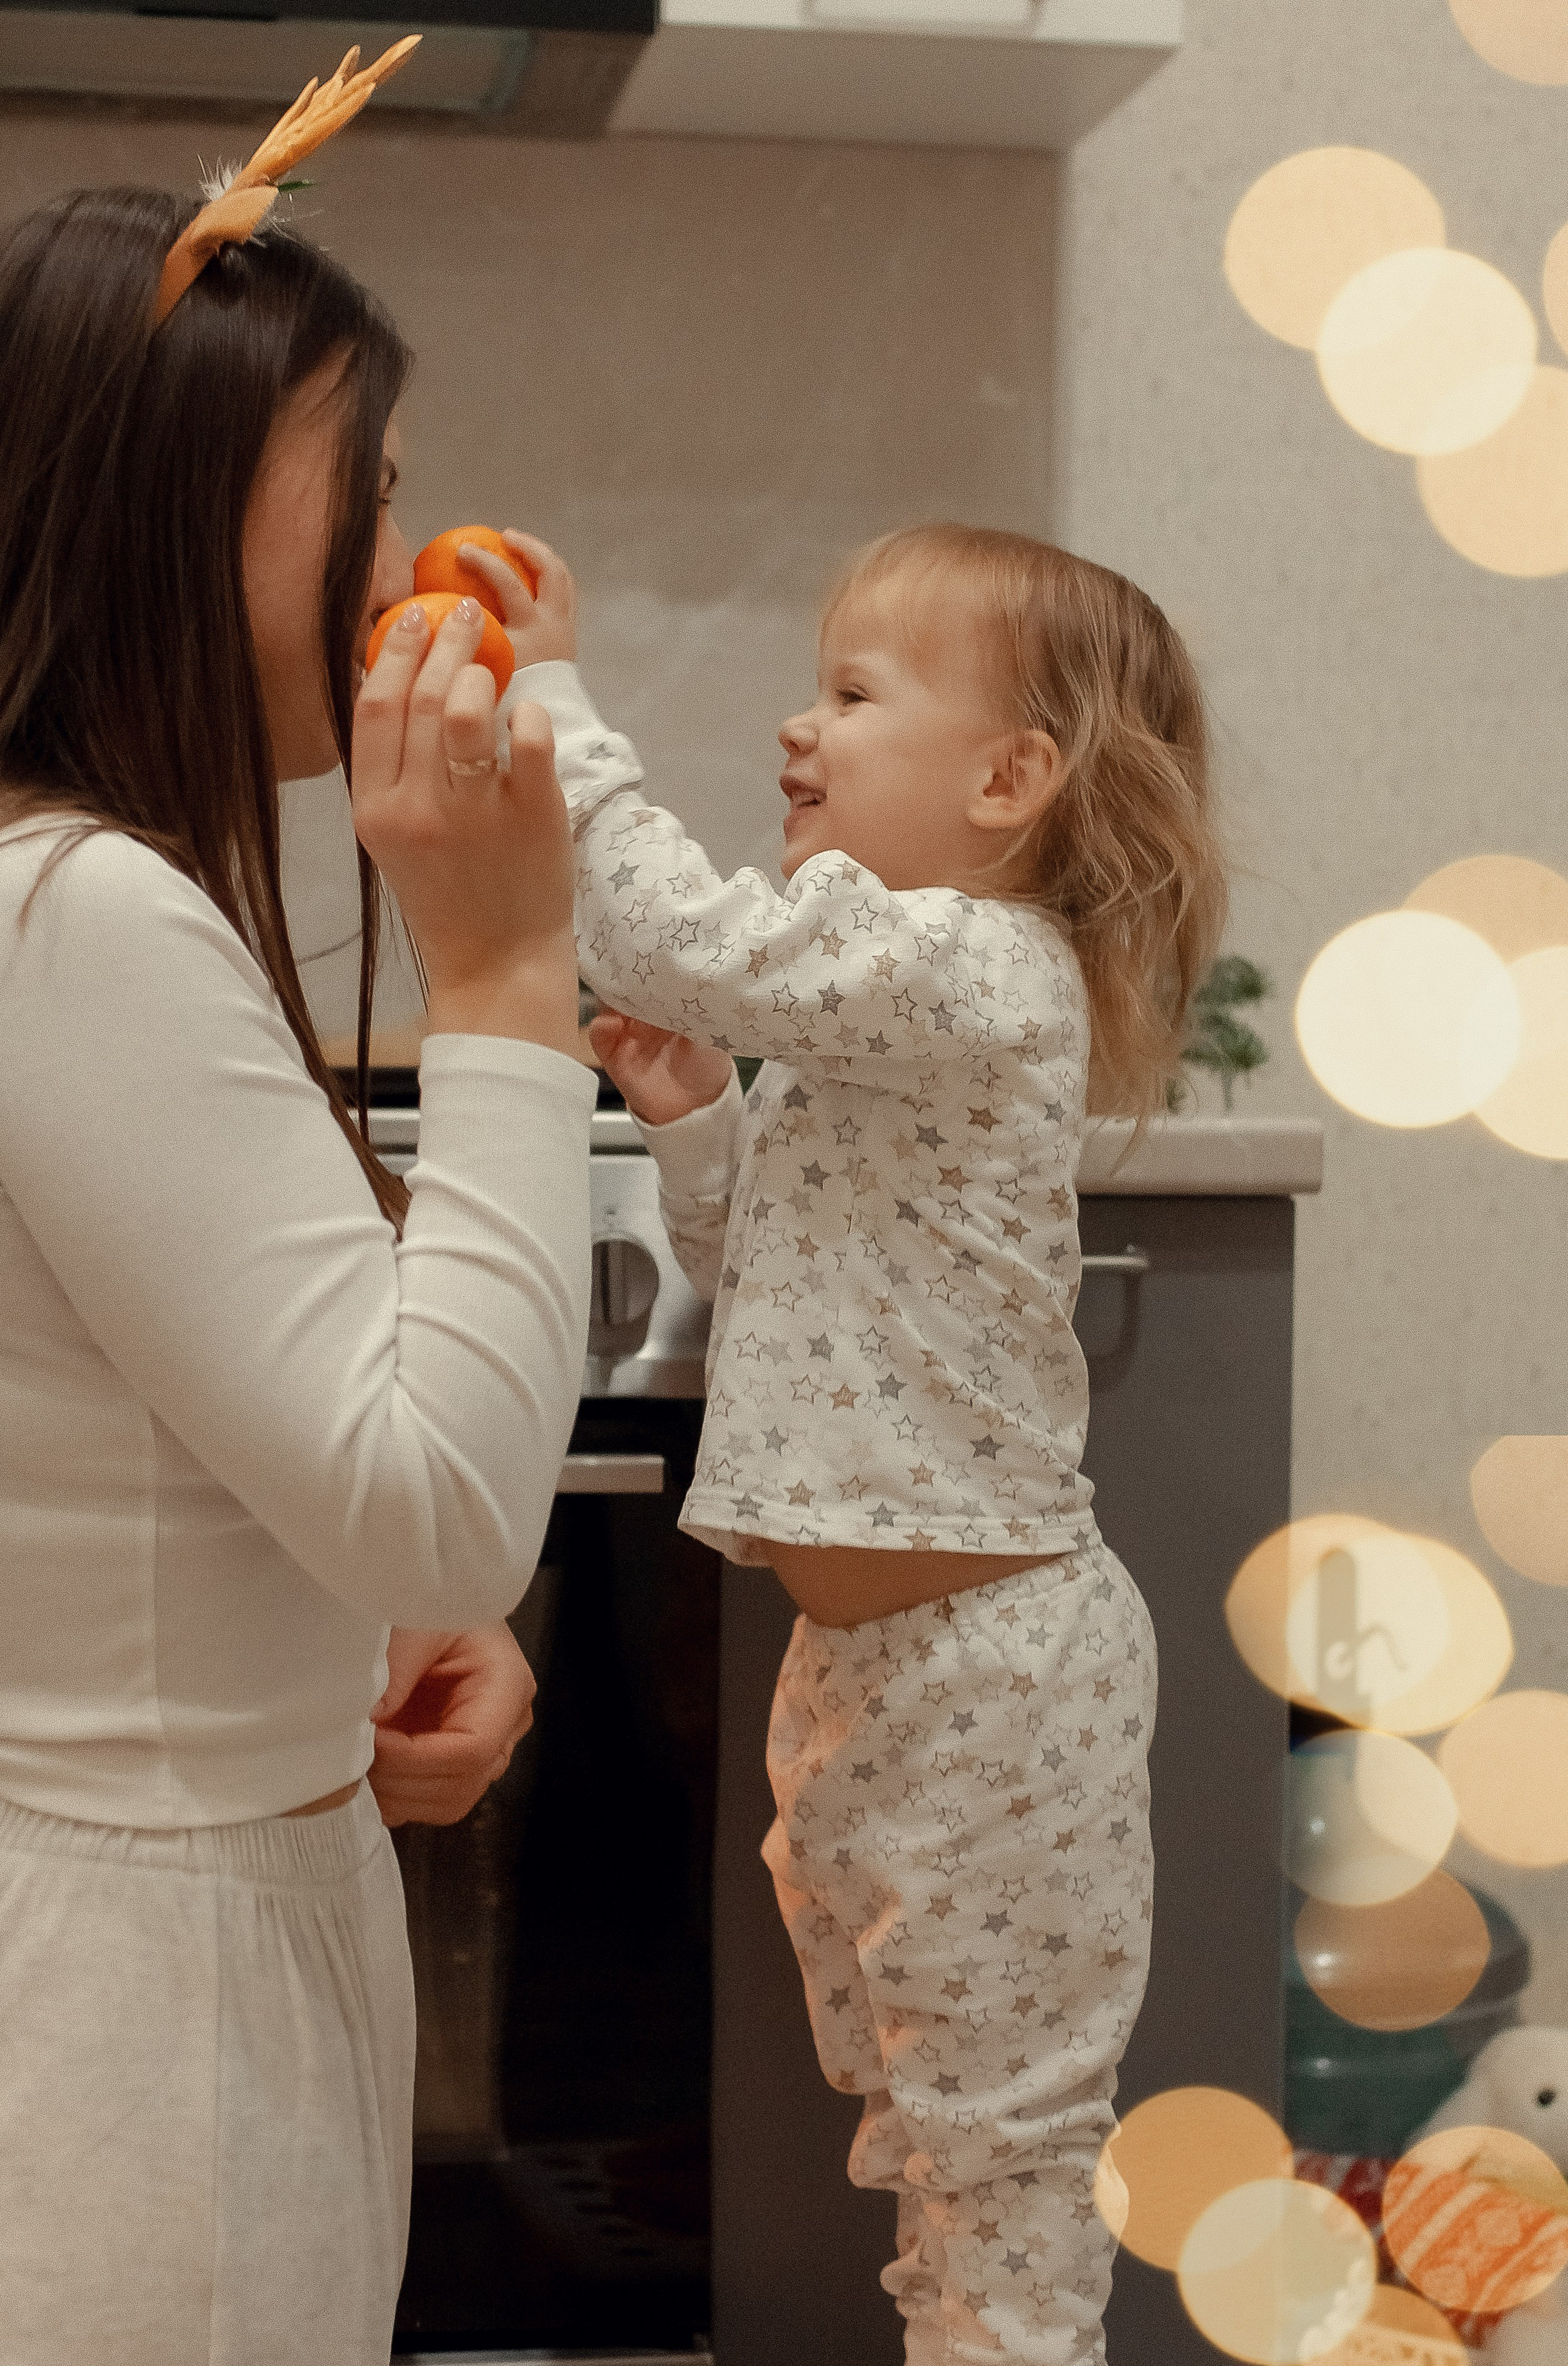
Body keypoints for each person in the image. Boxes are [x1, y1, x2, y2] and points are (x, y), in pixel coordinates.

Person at [461, 518, 1227, 2364]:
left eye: (854, 691)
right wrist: (707, 1119)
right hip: (873, 1674)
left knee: (1003, 2180)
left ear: (1007, 780)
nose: (800, 729)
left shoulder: (974, 963)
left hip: (989, 1680)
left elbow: (654, 920)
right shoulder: (887, 1017)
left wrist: (557, 689)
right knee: (936, 2170)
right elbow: (774, 1285)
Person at [0, 129, 591, 2366]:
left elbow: (195, 1440)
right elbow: (433, 1473)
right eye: (363, 481)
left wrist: (396, 1622)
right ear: (166, 490)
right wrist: (511, 976)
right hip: (137, 1999)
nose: (396, 545)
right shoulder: (84, 917)